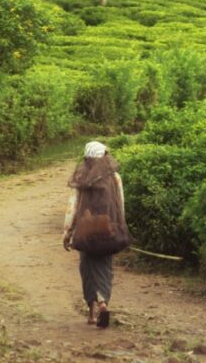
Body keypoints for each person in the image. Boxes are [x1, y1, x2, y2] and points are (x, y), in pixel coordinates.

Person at [62, 140, 128, 328]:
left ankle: (91, 313)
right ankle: (103, 302)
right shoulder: (115, 177)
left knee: (87, 268)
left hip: (85, 231)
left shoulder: (81, 177)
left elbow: (72, 208)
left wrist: (67, 233)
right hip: (108, 230)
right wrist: (120, 225)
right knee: (105, 268)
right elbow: (120, 204)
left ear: (87, 157)